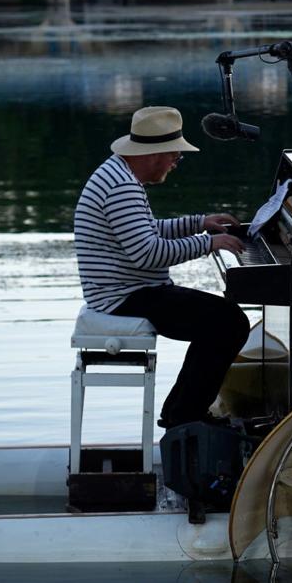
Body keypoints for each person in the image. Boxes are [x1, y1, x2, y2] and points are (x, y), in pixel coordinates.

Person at [74, 105, 250, 428]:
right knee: (231, 323)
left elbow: (147, 230)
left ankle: (181, 412)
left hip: (128, 290)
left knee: (221, 321)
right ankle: (185, 417)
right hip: (125, 297)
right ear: (156, 153)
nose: (175, 164)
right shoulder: (122, 187)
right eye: (175, 157)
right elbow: (148, 254)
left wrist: (200, 223)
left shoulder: (120, 174)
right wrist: (209, 243)